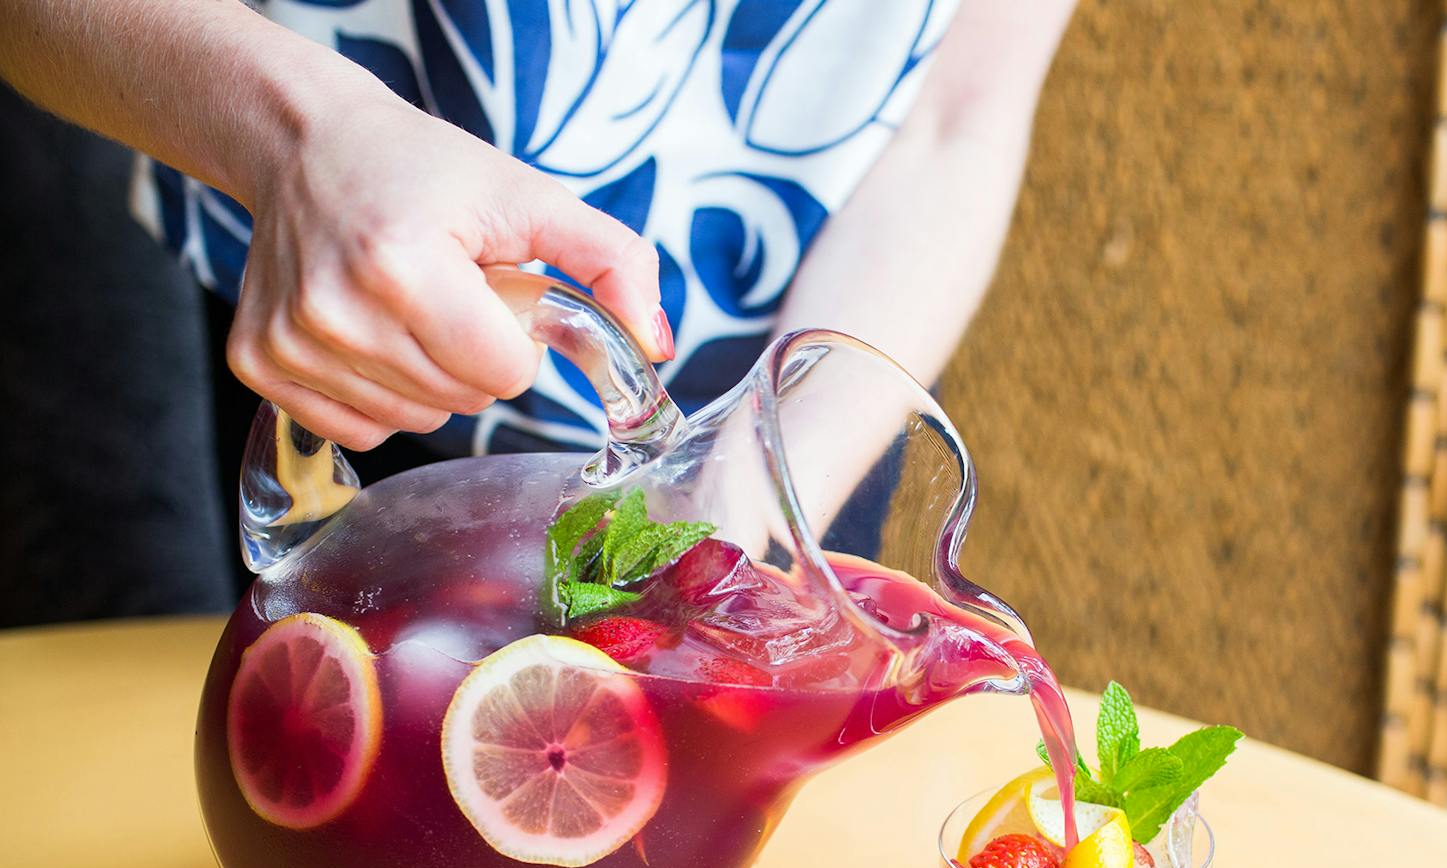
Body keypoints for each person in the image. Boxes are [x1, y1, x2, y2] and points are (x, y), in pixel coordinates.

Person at [0, 0, 1077, 618]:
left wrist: (746, 501)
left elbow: (956, 117)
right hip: (333, 310)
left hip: (789, 413)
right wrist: (296, 135)